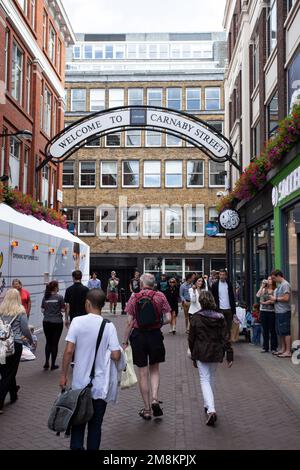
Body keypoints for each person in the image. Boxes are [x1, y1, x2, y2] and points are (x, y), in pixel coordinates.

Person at [59, 289, 122, 450]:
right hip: (100, 387)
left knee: (78, 426)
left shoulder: (77, 322)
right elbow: (115, 355)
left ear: (87, 303)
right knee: (95, 427)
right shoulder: (108, 326)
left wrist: (63, 375)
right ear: (103, 305)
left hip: (80, 386)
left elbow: (68, 351)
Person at [123, 273, 171, 420]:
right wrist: (158, 324)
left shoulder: (134, 297)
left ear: (142, 283)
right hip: (155, 335)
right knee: (155, 369)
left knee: (143, 372)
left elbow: (129, 321)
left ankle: (147, 409)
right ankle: (155, 398)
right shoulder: (160, 296)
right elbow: (169, 318)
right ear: (153, 283)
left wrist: (125, 341)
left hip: (139, 336)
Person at [188, 291, 233, 426]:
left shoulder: (196, 318)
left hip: (202, 351)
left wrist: (193, 355)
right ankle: (208, 404)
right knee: (211, 377)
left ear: (201, 302)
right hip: (216, 350)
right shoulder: (220, 317)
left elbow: (191, 338)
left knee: (204, 379)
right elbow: (225, 336)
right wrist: (229, 354)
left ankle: (211, 409)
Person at [0, 289, 32, 414]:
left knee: (6, 371)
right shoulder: (20, 311)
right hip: (15, 345)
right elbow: (24, 329)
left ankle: (13, 393)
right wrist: (30, 339)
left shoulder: (1, 310)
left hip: (2, 345)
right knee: (10, 373)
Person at [41, 280, 65, 370]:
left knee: (48, 342)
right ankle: (53, 364)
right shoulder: (60, 297)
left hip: (46, 321)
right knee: (55, 344)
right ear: (55, 288)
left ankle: (46, 362)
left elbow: (42, 310)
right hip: (57, 322)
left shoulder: (45, 297)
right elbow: (63, 310)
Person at [270, 270, 292, 358]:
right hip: (279, 311)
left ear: (279, 276)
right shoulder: (280, 286)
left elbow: (286, 298)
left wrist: (275, 299)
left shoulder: (285, 284)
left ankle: (288, 351)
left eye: (274, 278)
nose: (274, 280)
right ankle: (283, 349)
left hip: (284, 311)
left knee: (286, 331)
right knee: (281, 332)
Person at [211, 269, 236, 335]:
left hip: (229, 309)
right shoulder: (215, 285)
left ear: (226, 276)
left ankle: (227, 341)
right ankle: (222, 340)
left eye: (223, 275)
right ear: (218, 275)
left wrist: (234, 311)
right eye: (220, 275)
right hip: (220, 308)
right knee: (221, 326)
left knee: (228, 327)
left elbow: (232, 297)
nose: (222, 276)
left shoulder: (229, 284)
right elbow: (213, 297)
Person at [256, 277, 277, 353]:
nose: (269, 281)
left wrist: (265, 302)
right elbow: (258, 295)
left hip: (272, 311)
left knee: (272, 329)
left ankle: (273, 347)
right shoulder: (264, 289)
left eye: (271, 279)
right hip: (263, 311)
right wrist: (262, 286)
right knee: (265, 330)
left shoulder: (275, 290)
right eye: (268, 279)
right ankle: (265, 347)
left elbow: (274, 301)